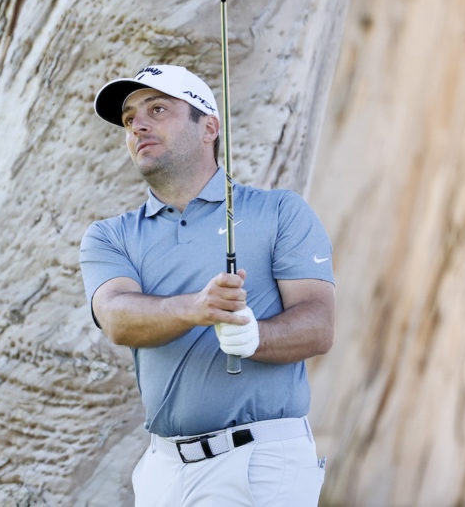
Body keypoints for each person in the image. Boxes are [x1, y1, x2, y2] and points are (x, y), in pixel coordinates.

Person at [79, 64, 335, 506]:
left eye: (157, 109)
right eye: (129, 119)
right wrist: (196, 308)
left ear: (208, 128)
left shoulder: (280, 212)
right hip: (164, 469)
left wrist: (257, 337)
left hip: (262, 461)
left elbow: (319, 324)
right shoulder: (110, 236)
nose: (138, 124)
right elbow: (117, 317)